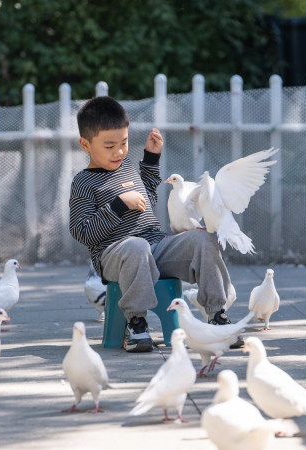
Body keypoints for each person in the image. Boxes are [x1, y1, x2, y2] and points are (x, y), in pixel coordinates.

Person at [68, 96, 236, 353]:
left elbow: (147, 197)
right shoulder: (83, 183)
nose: (119, 152)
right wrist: (118, 205)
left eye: (123, 143)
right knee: (135, 246)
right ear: (85, 144)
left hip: (155, 245)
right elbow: (83, 231)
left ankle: (217, 315)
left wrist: (151, 158)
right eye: (109, 146)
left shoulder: (126, 169)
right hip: (115, 255)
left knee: (204, 238)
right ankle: (136, 323)